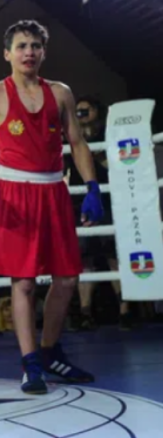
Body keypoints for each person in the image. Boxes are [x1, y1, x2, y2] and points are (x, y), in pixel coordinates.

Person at [0, 19, 103, 395]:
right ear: (7, 53)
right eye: (21, 46)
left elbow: (77, 142)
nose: (29, 52)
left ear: (44, 52)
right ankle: (30, 363)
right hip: (16, 193)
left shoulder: (60, 93)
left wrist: (92, 187)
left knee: (67, 278)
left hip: (54, 190)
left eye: (36, 45)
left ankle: (50, 351)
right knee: (22, 282)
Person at [66, 96, 130, 330]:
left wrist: (98, 155)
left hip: (110, 200)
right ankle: (85, 312)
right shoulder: (70, 137)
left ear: (97, 112)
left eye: (86, 110)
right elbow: (66, 171)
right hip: (79, 202)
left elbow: (120, 166)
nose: (81, 114)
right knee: (86, 258)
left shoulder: (111, 135)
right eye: (78, 111)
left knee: (114, 256)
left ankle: (125, 311)